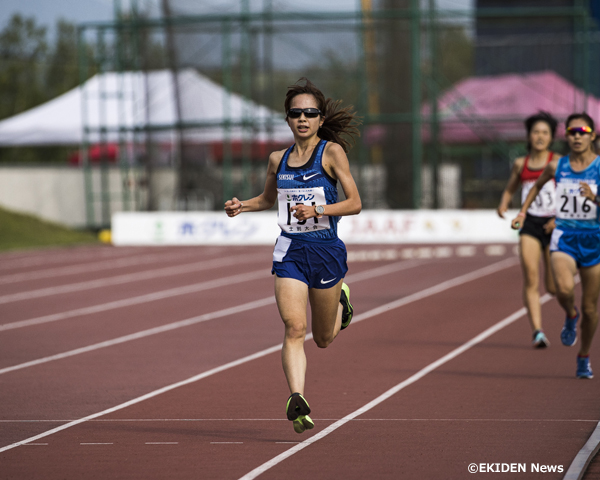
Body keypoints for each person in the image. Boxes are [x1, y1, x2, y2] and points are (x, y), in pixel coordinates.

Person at [224, 78, 362, 431]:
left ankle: (341, 302)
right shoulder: (277, 159)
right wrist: (243, 205)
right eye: (296, 113)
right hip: (290, 251)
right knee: (294, 327)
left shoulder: (331, 153)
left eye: (310, 113)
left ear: (320, 118)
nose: (303, 118)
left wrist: (318, 211)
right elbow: (268, 200)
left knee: (324, 339)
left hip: (326, 252)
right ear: (287, 119)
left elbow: (355, 203)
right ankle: (297, 398)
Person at [512, 112, 600, 379]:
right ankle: (569, 314)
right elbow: (536, 188)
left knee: (591, 308)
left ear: (592, 136)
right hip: (564, 236)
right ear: (566, 136)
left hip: (594, 239)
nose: (576, 136)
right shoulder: (556, 167)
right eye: (572, 132)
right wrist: (522, 212)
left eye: (582, 131)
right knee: (562, 288)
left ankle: (583, 355)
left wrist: (594, 198)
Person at [497, 112, 559, 348]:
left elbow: (569, 193)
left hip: (554, 225)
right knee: (530, 277)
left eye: (545, 132)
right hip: (530, 224)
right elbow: (510, 188)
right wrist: (504, 203)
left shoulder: (558, 162)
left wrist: (560, 218)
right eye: (536, 132)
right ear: (529, 136)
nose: (540, 136)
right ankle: (537, 331)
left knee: (554, 287)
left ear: (551, 137)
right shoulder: (521, 164)